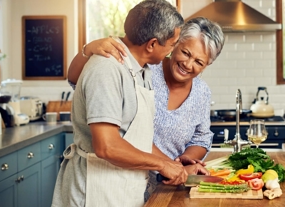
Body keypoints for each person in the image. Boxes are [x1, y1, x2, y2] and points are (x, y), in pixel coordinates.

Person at [68, 17, 225, 200]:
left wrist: (182, 162)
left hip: (171, 181)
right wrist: (88, 49)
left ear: (207, 65)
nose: (188, 65)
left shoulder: (202, 92)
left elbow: (201, 136)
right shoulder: (145, 68)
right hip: (121, 177)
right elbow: (77, 79)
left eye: (199, 62)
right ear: (175, 44)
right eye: (185, 53)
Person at [52, 0, 188, 207]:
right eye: (171, 45)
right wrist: (161, 165)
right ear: (152, 44)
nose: (171, 52)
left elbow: (135, 139)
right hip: (95, 191)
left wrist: (174, 165)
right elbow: (107, 146)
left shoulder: (142, 71)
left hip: (122, 188)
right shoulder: (107, 69)